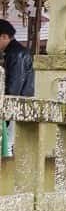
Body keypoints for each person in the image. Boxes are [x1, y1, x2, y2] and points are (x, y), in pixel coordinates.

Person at [1, 19, 34, 157]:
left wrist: (5, 113)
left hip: (16, 106)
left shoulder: (17, 54)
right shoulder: (13, 52)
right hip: (18, 104)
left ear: (4, 36)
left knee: (8, 145)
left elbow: (14, 87)